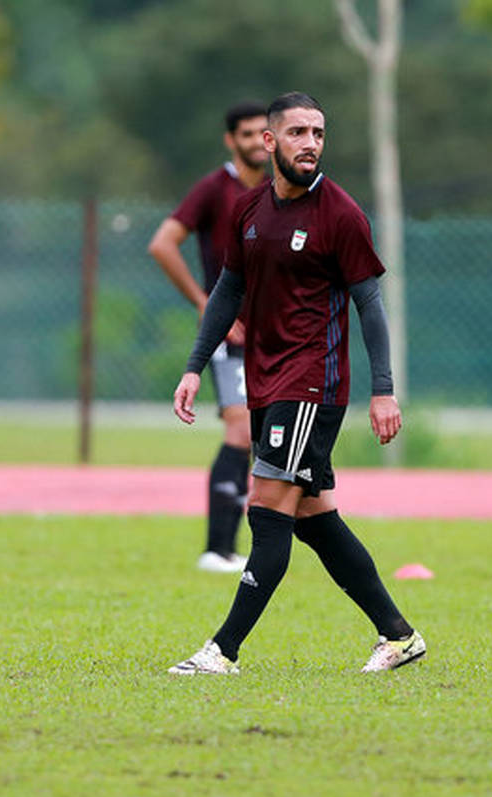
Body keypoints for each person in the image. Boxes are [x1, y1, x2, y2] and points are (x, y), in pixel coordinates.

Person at [167, 91, 425, 674]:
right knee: (314, 518)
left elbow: (370, 305)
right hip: (266, 381)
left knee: (266, 508)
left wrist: (383, 389)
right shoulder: (249, 210)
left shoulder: (340, 213)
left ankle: (222, 650)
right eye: (298, 132)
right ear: (270, 141)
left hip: (311, 384)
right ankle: (399, 636)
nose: (310, 143)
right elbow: (227, 292)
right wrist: (194, 366)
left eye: (318, 133)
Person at [147, 101, 269, 573]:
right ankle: (217, 550)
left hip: (276, 334)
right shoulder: (215, 189)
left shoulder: (281, 190)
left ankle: (245, 548)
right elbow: (162, 243)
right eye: (246, 133)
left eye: (263, 132)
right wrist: (205, 304)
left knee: (264, 436)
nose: (256, 141)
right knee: (240, 427)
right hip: (229, 334)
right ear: (230, 140)